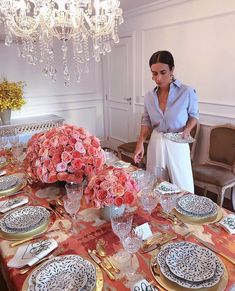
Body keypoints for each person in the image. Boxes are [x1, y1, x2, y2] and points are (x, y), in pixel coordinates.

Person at [133, 50, 199, 193]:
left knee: (183, 184)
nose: (158, 78)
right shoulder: (149, 96)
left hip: (177, 141)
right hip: (156, 141)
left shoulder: (187, 92)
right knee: (155, 184)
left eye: (163, 72)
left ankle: (184, 212)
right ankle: (156, 213)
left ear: (172, 69)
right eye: (154, 73)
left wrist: (187, 129)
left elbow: (194, 116)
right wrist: (140, 143)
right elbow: (146, 120)